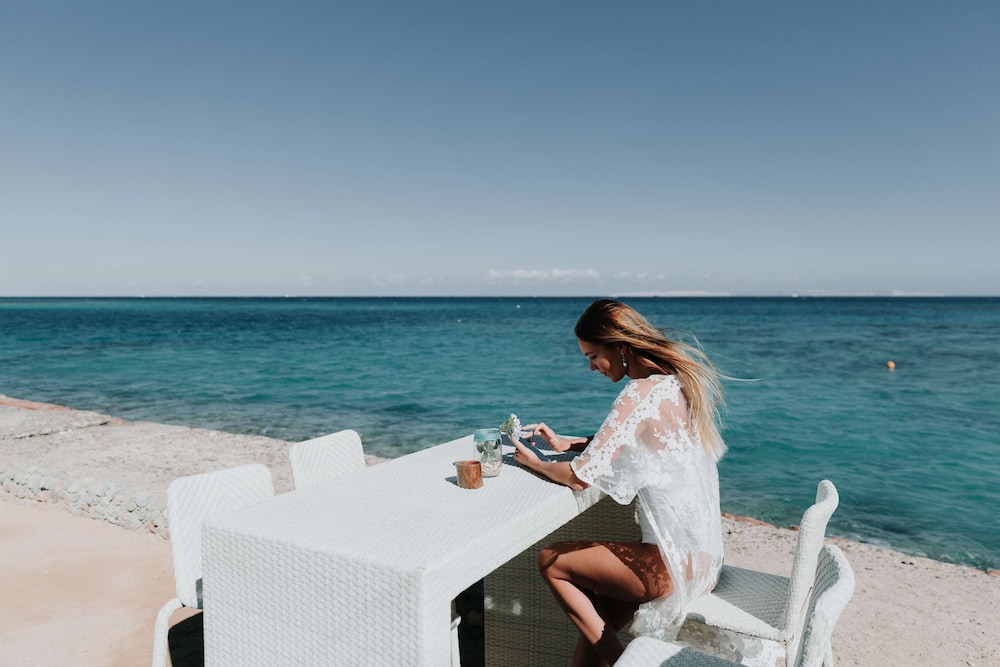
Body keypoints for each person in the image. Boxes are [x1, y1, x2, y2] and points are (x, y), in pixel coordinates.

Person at [513, 298, 726, 666]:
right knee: (595, 636)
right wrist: (570, 443)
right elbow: (641, 442)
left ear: (621, 348)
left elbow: (579, 478)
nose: (591, 367)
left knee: (551, 560)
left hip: (665, 565)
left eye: (593, 356)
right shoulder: (675, 385)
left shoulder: (639, 393)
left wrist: (536, 463)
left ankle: (625, 664)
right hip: (702, 561)